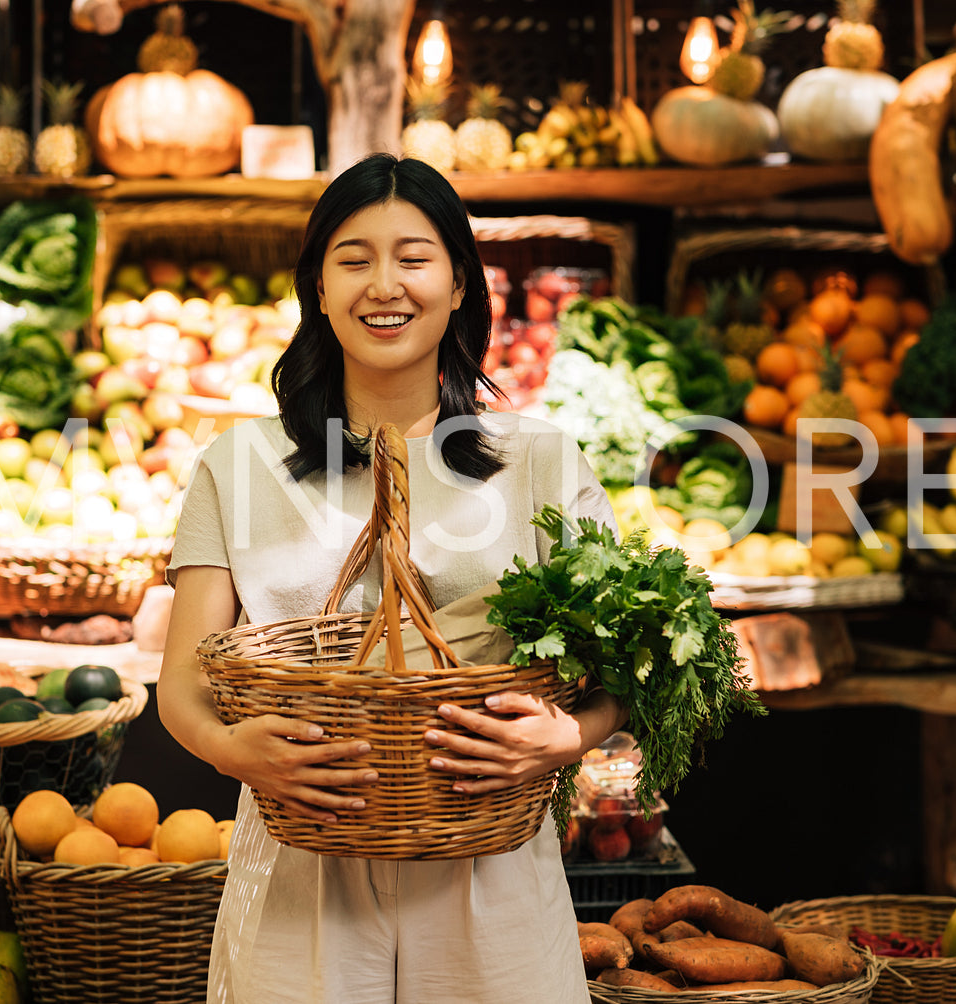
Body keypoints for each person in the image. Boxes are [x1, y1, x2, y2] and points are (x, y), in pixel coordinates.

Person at [158, 153, 627, 1004]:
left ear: (458, 285)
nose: (385, 286)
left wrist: (569, 737)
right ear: (318, 288)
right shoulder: (240, 464)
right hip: (304, 867)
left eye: (413, 258)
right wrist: (231, 749)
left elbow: (626, 667)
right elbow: (181, 683)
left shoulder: (538, 463)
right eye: (352, 259)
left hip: (493, 869)